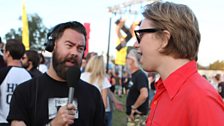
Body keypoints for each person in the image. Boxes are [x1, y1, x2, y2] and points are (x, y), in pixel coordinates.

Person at [134, 1, 224, 125]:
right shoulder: (164, 90)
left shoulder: (201, 98)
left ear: (164, 39)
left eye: (141, 35)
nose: (136, 44)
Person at [7, 21, 105, 126]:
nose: (74, 53)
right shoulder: (25, 92)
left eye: (80, 49)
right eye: (69, 45)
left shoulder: (93, 94)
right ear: (52, 46)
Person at [0, 39, 32, 125]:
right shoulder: (30, 76)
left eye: (3, 51)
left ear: (8, 53)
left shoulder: (2, 74)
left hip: (3, 121)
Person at [80, 55, 111, 126]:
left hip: (83, 112)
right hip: (98, 114)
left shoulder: (82, 76)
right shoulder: (103, 80)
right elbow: (104, 104)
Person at [125, 49, 149, 126]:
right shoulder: (134, 75)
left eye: (127, 58)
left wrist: (134, 107)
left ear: (133, 60)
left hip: (137, 116)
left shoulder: (140, 75)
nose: (126, 60)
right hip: (133, 116)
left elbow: (144, 94)